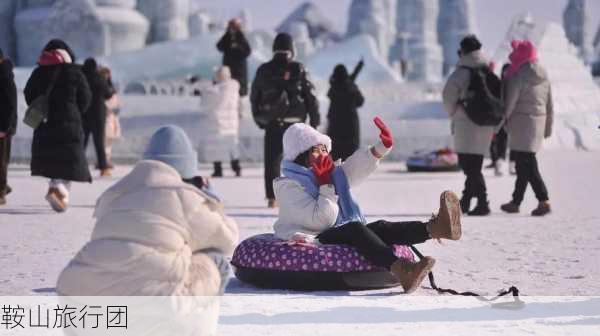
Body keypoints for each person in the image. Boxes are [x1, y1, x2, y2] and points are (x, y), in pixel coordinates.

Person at [273, 119, 462, 293]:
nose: (323, 155)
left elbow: (353, 168)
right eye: (315, 150)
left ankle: (436, 228)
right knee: (355, 229)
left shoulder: (328, 174)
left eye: (324, 150)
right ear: (300, 156)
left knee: (379, 227)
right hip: (311, 235)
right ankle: (403, 271)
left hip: (332, 229)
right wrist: (326, 186)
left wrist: (380, 148)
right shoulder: (290, 185)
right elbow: (321, 221)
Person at [56, 125, 239, 297]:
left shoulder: (117, 192)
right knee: (216, 260)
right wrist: (212, 202)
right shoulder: (184, 196)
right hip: (154, 303)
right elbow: (228, 239)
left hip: (89, 295)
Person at [251, 32, 320, 208]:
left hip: (273, 122)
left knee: (272, 161)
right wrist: (314, 120)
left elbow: (255, 97)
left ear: (274, 48)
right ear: (291, 49)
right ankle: (299, 197)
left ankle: (272, 198)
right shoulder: (299, 68)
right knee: (298, 162)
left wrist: (260, 120)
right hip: (295, 123)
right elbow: (310, 96)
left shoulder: (263, 69)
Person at [24, 39, 92, 213]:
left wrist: (41, 106)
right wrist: (76, 111)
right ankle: (59, 189)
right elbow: (85, 98)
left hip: (45, 121)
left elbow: (28, 94)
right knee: (68, 161)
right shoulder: (75, 73)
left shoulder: (38, 72)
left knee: (53, 159)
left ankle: (58, 190)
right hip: (69, 122)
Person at [500, 40, 553, 216]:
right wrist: (547, 128)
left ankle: (543, 200)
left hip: (521, 125)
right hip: (537, 125)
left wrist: (500, 123)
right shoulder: (544, 76)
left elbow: (510, 104)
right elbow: (550, 105)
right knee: (523, 165)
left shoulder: (518, 76)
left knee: (528, 164)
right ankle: (516, 201)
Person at [442, 35, 494, 216]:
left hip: (466, 124)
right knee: (475, 166)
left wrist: (454, 113)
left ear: (463, 51)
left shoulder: (461, 72)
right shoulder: (488, 70)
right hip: (486, 123)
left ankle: (482, 202)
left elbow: (448, 97)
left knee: (468, 166)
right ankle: (465, 202)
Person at [201, 66, 242, 177]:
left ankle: (218, 169)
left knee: (215, 146)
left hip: (218, 122)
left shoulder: (216, 90)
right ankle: (237, 167)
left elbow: (207, 104)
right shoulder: (234, 88)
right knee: (232, 146)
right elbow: (238, 104)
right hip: (232, 122)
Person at [82, 58, 115, 177]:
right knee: (99, 142)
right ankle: (103, 168)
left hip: (84, 114)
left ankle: (79, 166)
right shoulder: (100, 78)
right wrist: (109, 80)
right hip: (98, 115)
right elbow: (109, 94)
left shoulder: (82, 78)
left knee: (82, 141)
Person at [326, 59, 365, 161]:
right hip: (350, 128)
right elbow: (360, 101)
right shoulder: (351, 87)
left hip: (335, 128)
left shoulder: (333, 88)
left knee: (335, 159)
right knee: (350, 160)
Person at [216, 18, 251, 97]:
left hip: (239, 67)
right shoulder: (226, 36)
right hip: (229, 66)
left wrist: (238, 47)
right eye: (230, 27)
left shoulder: (241, 37)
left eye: (233, 27)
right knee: (228, 88)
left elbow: (248, 51)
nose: (231, 28)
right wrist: (227, 45)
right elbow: (219, 46)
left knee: (240, 88)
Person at [0, 48, 17, 206]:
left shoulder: (4, 75)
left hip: (3, 127)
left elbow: (11, 104)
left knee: (1, 161)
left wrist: (4, 128)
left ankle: (1, 191)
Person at [99, 65, 121, 168]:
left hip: (112, 117)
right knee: (104, 140)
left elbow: (116, 100)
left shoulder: (110, 87)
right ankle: (104, 160)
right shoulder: (102, 86)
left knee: (109, 140)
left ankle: (106, 159)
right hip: (105, 116)